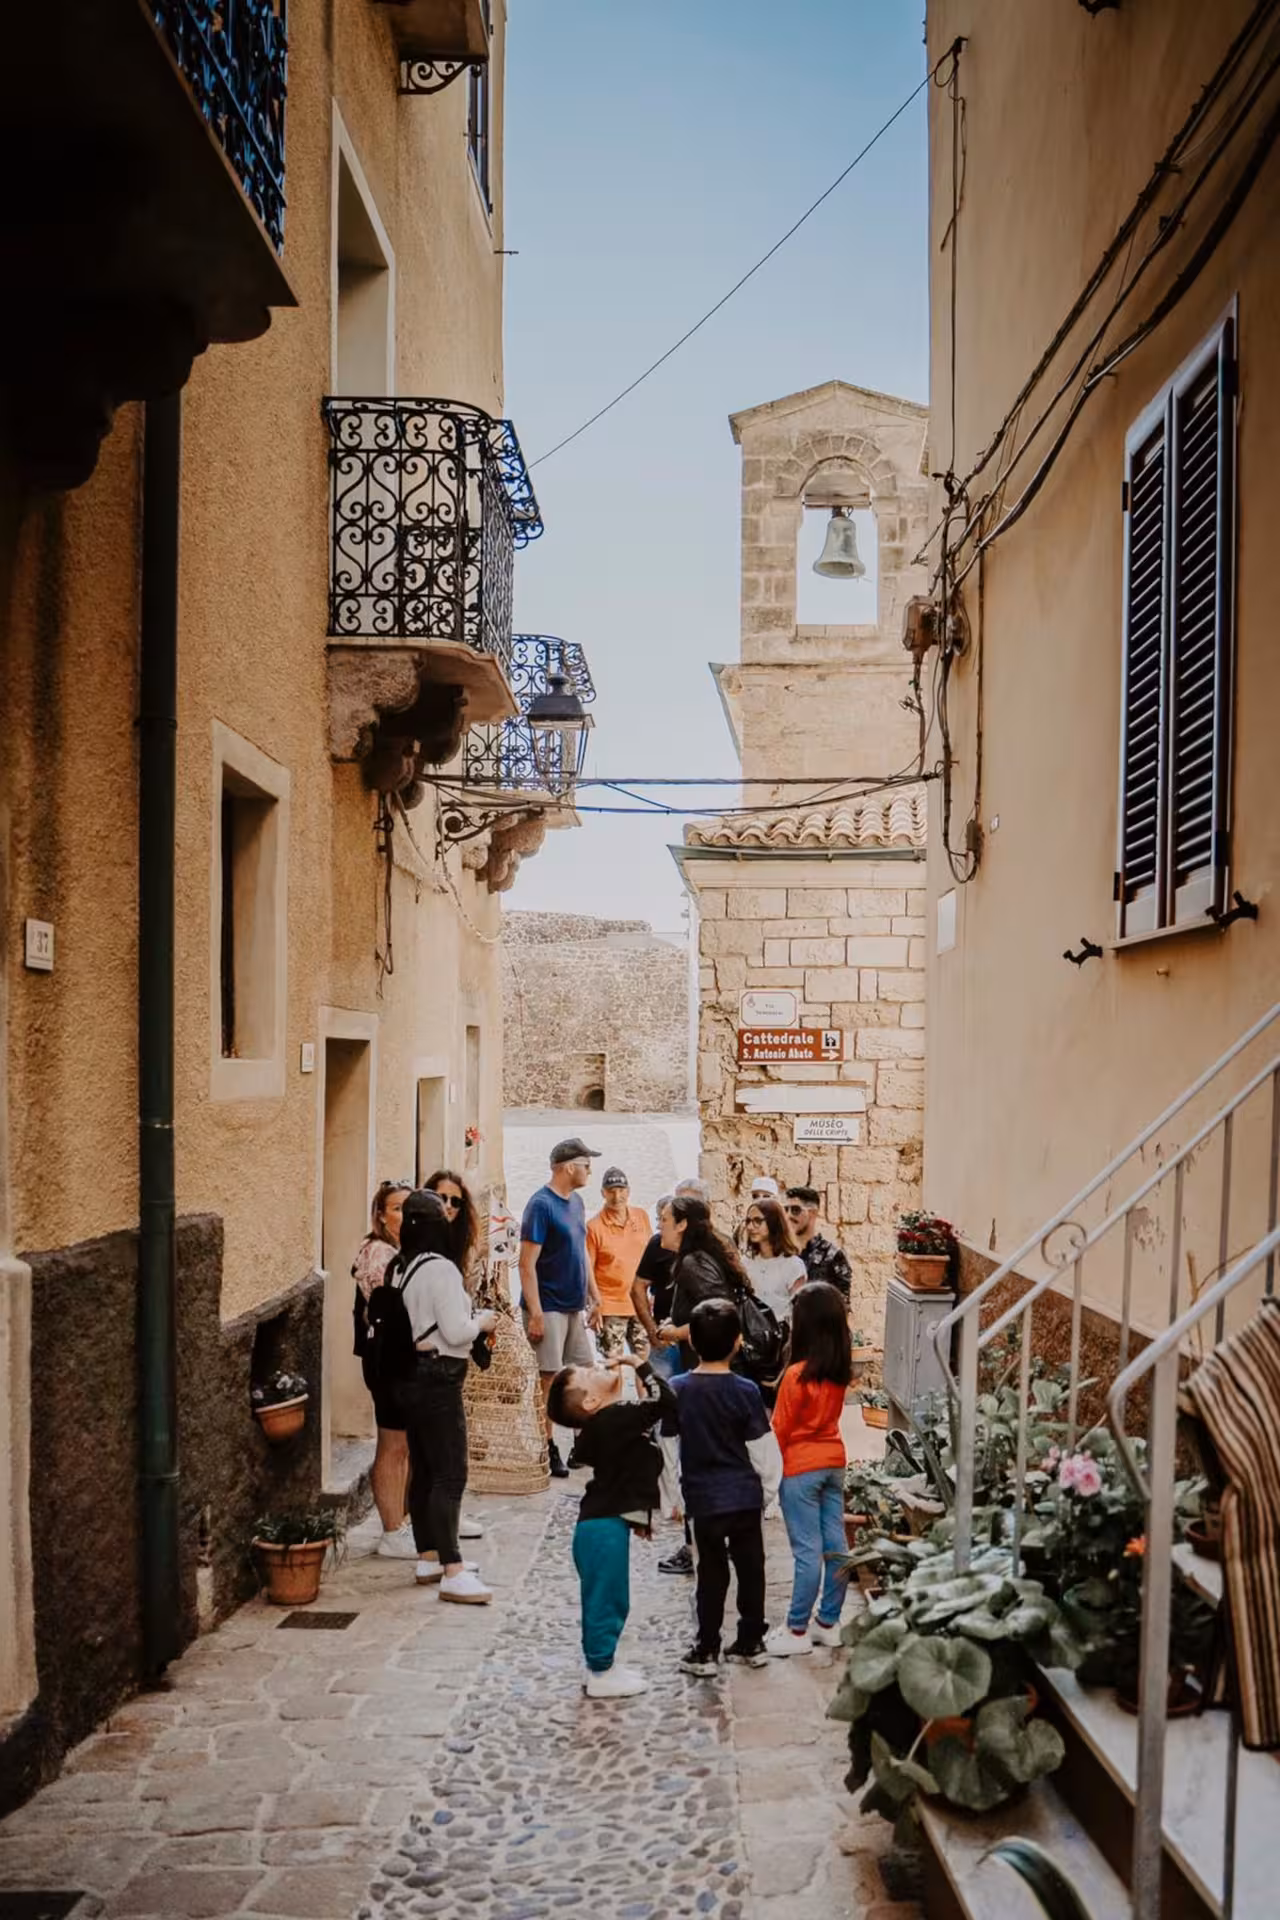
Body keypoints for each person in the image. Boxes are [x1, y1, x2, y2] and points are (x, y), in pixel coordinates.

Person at [661, 1297, 781, 1674]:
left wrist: (672, 1499)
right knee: (751, 1570)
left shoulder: (677, 1389)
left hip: (703, 1499)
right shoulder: (746, 1391)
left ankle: (707, 1648)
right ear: (737, 1342)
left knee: (710, 1574)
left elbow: (667, 1446)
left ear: (692, 1342)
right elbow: (763, 1448)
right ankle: (750, 1641)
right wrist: (768, 1494)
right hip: (745, 1498)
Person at [547, 1352, 676, 1700]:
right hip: (602, 1530)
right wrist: (639, 1364)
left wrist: (638, 1517)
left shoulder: (607, 1425)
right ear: (591, 1401)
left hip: (600, 1525)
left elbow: (629, 1474)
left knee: (606, 1598)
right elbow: (664, 1400)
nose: (596, 1367)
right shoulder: (614, 1419)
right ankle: (602, 1670)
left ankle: (600, 1667)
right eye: (588, 1373)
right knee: (608, 1600)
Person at [394, 1189, 496, 1604]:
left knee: (423, 1469)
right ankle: (452, 1568)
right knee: (450, 1474)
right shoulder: (442, 1271)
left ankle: (429, 1555)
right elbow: (455, 1331)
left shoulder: (405, 1267)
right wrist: (483, 1320)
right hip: (441, 1378)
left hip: (412, 1378)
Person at [654, 1191, 751, 1575]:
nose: (659, 1224)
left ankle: (699, 1544)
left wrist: (674, 1332)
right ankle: (707, 1540)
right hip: (708, 1373)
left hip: (709, 1376)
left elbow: (717, 1315)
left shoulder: (694, 1264)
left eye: (664, 1218)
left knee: (698, 1462)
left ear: (682, 1224)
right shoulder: (693, 1260)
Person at [765, 1282, 853, 1656]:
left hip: (800, 1469)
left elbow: (780, 1430)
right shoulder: (838, 1371)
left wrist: (767, 1476)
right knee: (837, 1548)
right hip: (833, 1462)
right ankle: (827, 1623)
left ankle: (796, 1629)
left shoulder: (796, 1375)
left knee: (806, 1551)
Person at [519, 1137, 603, 1479]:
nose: (590, 1170)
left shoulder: (577, 1202)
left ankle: (582, 1443)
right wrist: (536, 1313)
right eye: (586, 1164)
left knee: (584, 1372)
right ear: (568, 1167)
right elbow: (526, 1264)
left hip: (573, 1305)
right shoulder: (541, 1205)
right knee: (549, 1379)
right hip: (549, 1305)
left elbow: (581, 1251)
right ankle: (547, 1446)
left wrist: (594, 1295)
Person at [352, 1179, 416, 1559]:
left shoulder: (399, 1250)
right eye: (396, 1208)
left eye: (409, 1207)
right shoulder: (378, 1254)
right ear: (381, 1215)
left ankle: (400, 1523)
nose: (404, 1214)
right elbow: (392, 1307)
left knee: (403, 1446)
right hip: (388, 1361)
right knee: (392, 1447)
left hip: (396, 1359)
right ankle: (391, 1529)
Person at [424, 1168, 488, 1541]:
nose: (447, 1206)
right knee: (443, 1448)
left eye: (455, 1201)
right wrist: (481, 1324)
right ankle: (442, 1549)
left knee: (445, 1446)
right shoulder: (425, 1253)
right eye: (440, 1198)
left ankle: (445, 1519)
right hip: (435, 1357)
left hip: (452, 1357)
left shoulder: (459, 1247)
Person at [630, 1177, 708, 1379]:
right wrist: (652, 1330)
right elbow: (638, 1287)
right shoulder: (659, 1243)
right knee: (662, 1399)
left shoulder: (711, 1249)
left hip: (701, 1344)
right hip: (666, 1342)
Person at [586, 1169, 652, 1362]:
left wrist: (653, 1292)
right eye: (611, 1191)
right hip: (610, 1305)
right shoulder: (594, 1226)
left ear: (628, 1191)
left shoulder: (641, 1216)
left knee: (644, 1360)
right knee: (612, 1361)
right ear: (602, 1193)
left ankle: (648, 1394)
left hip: (640, 1303)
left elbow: (651, 1257)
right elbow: (587, 1269)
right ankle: (614, 1394)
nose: (617, 1196)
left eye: (621, 1190)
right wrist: (593, 1304)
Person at [741, 1196, 807, 1322]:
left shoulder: (793, 1265)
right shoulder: (745, 1263)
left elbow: (800, 1311)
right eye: (748, 1221)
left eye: (757, 1221)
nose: (750, 1227)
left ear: (773, 1222)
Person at [785, 1187, 853, 1301]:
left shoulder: (833, 1256)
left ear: (813, 1213)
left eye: (795, 1210)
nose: (788, 1216)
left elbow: (842, 1306)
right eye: (785, 1210)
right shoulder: (781, 1252)